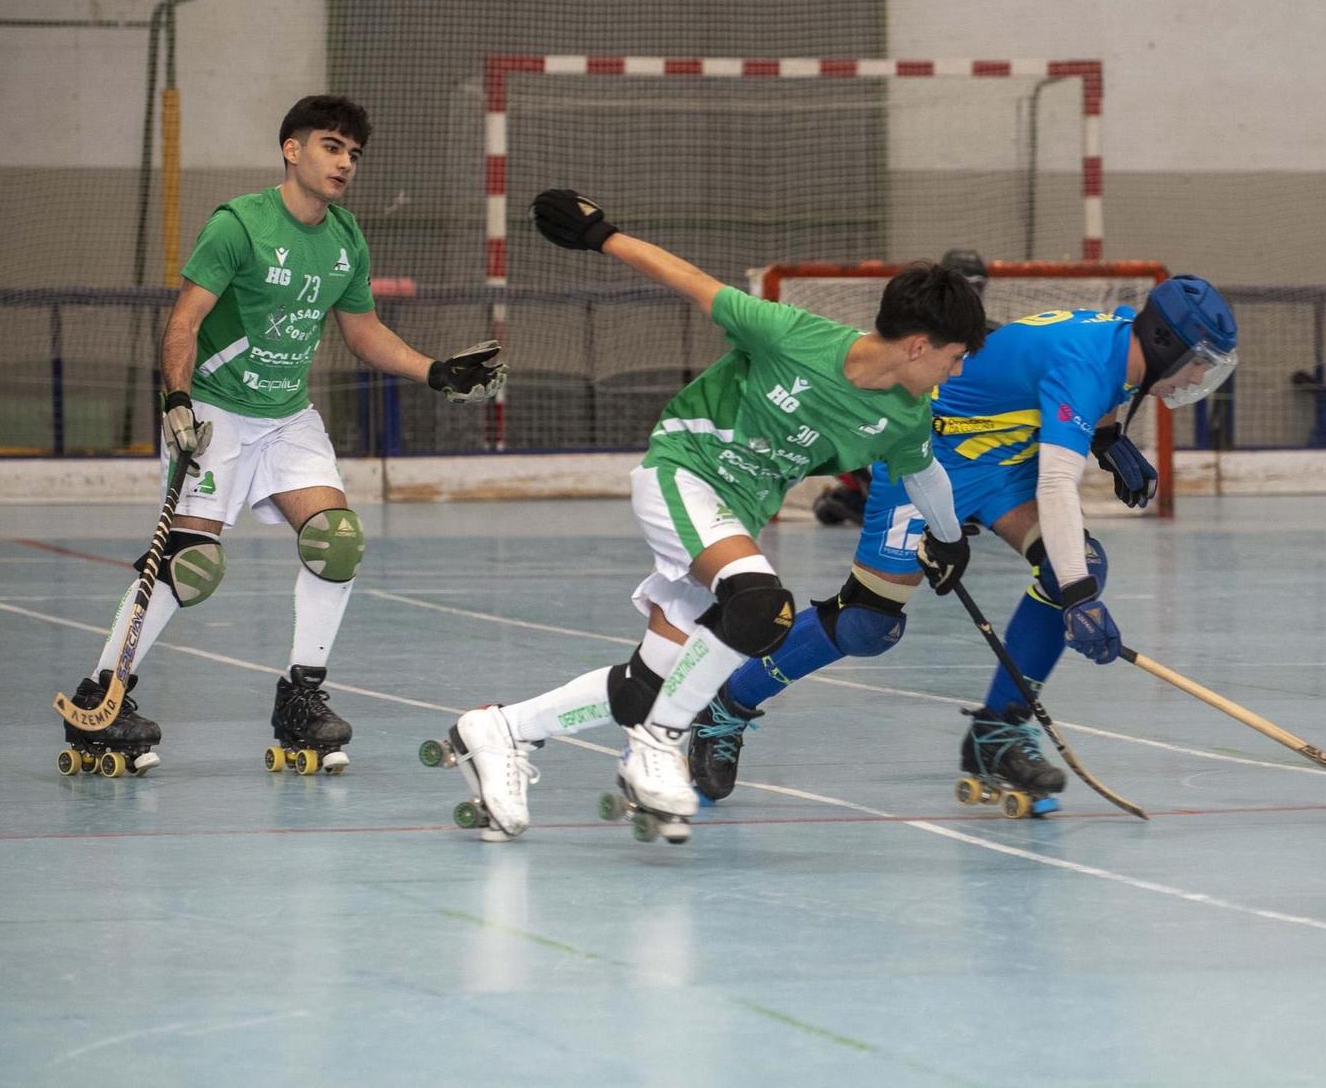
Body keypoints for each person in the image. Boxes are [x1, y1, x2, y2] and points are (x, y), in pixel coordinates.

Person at [441, 189, 988, 842]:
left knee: (647, 682)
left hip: (733, 519)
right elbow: (695, 284)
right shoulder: (793, 336)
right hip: (684, 473)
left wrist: (951, 540)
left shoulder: (904, 412)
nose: (956, 371)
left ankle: (501, 730)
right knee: (760, 605)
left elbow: (922, 473)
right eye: (955, 357)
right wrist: (602, 235)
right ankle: (659, 743)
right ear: (919, 345)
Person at [57, 95, 506, 777]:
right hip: (217, 411)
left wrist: (436, 371)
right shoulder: (240, 224)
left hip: (289, 416)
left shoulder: (346, 238)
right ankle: (103, 695)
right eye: (332, 146)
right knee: (192, 565)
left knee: (338, 540)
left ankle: (301, 695)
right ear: (291, 150)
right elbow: (183, 321)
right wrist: (177, 399)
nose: (345, 162)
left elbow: (362, 331)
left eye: (354, 153)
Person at [689, 274, 1239, 812]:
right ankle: (728, 706)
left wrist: (1108, 434)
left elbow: (1085, 382)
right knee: (867, 624)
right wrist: (1079, 598)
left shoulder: (1124, 334)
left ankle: (997, 734)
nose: (1198, 378)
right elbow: (1056, 483)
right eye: (1199, 362)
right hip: (926, 454)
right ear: (1166, 345)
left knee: (1076, 564)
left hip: (998, 460)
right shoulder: (1088, 363)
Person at [813, 248, 993, 527]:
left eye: (976, 284)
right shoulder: (905, 336)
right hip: (909, 424)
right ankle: (867, 490)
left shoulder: (996, 339)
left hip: (966, 436)